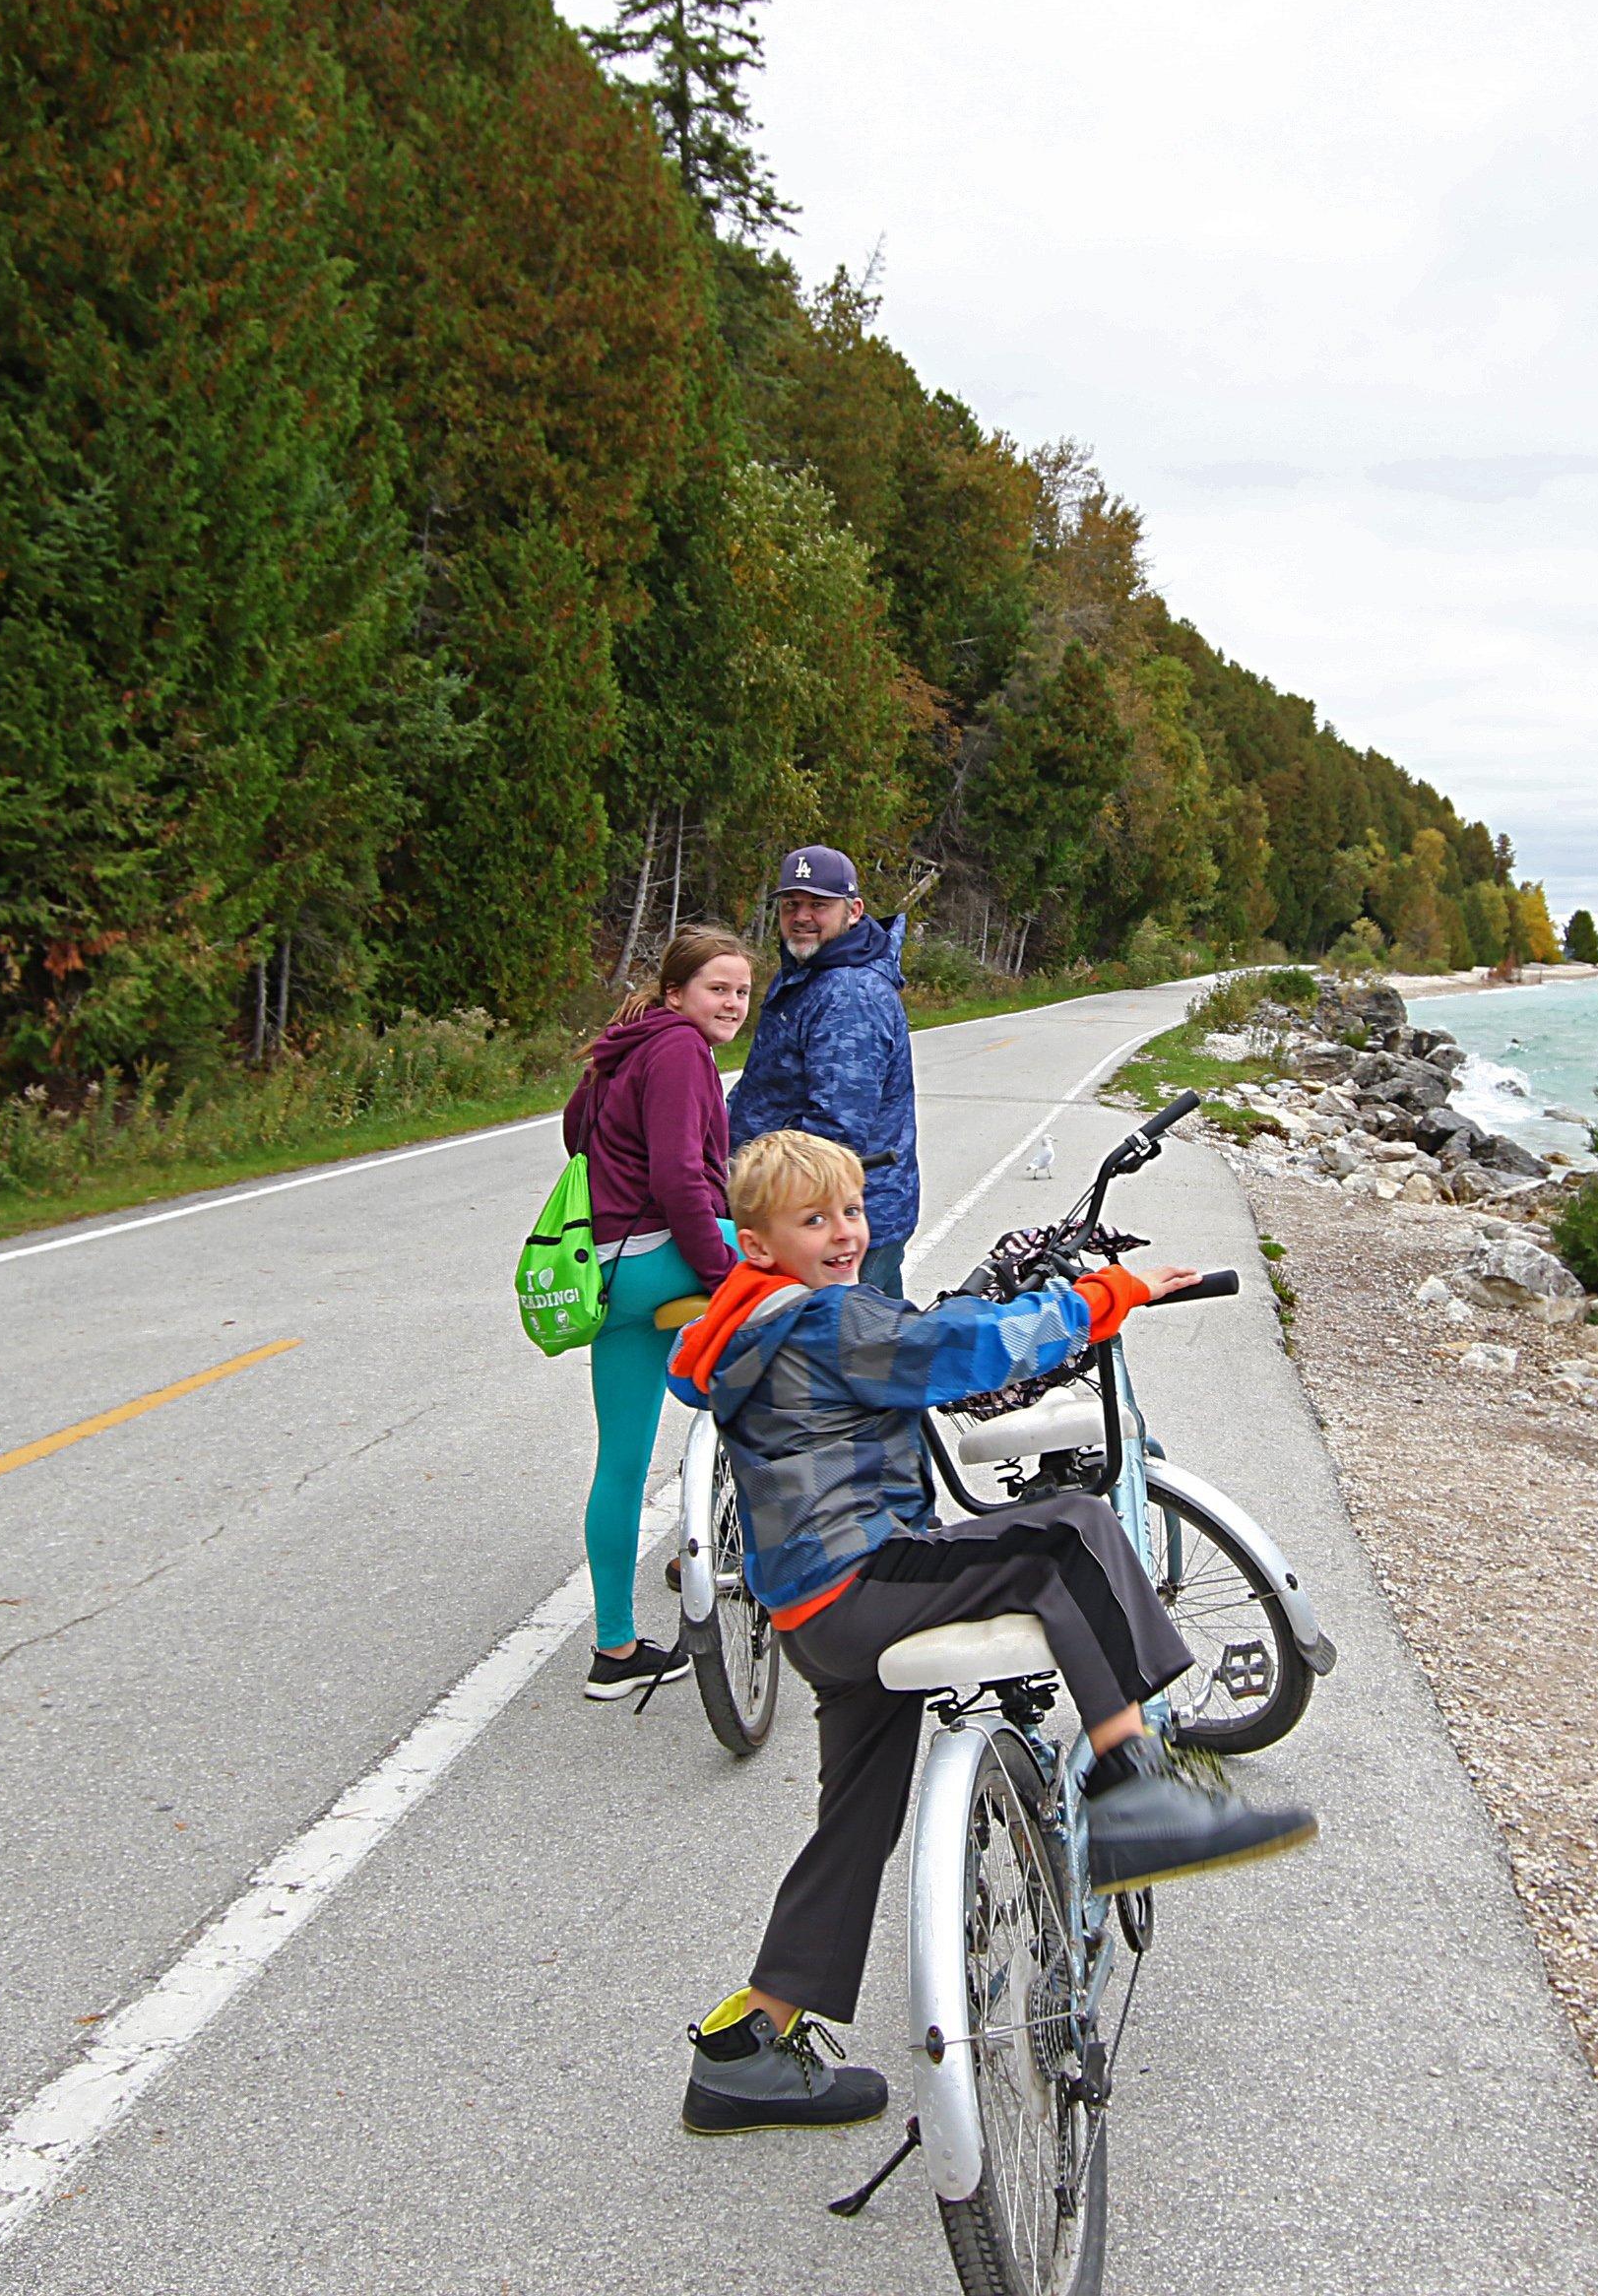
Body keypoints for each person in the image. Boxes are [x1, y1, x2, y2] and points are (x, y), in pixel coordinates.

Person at [662, 1129, 1318, 2134]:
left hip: (813, 1617)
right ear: (757, 1241)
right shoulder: (830, 1321)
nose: (843, 1233)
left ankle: (749, 2041)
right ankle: (1131, 1782)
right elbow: (966, 1350)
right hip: (863, 1579)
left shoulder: (751, 1324)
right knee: (1070, 1532)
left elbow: (913, 1339)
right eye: (813, 1219)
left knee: (856, 1821)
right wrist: (1111, 1293)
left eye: (849, 1209)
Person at [560, 925, 756, 1700]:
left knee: (621, 1461)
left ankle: (614, 1651)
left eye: (742, 990)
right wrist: (726, 1274)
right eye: (718, 987)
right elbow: (679, 1177)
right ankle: (769, 1542)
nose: (733, 1002)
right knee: (802, 1281)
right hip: (659, 1254)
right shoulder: (679, 1048)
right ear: (677, 992)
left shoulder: (624, 1044)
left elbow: (576, 1136)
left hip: (607, 1274)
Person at [726, 847, 918, 1299]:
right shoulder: (808, 972)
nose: (802, 916)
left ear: (853, 911)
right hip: (822, 1215)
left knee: (847, 1357)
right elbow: (764, 1085)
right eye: (791, 905)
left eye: (818, 904)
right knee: (879, 1350)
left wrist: (773, 1207)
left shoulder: (848, 992)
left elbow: (835, 1132)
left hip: (838, 1223)